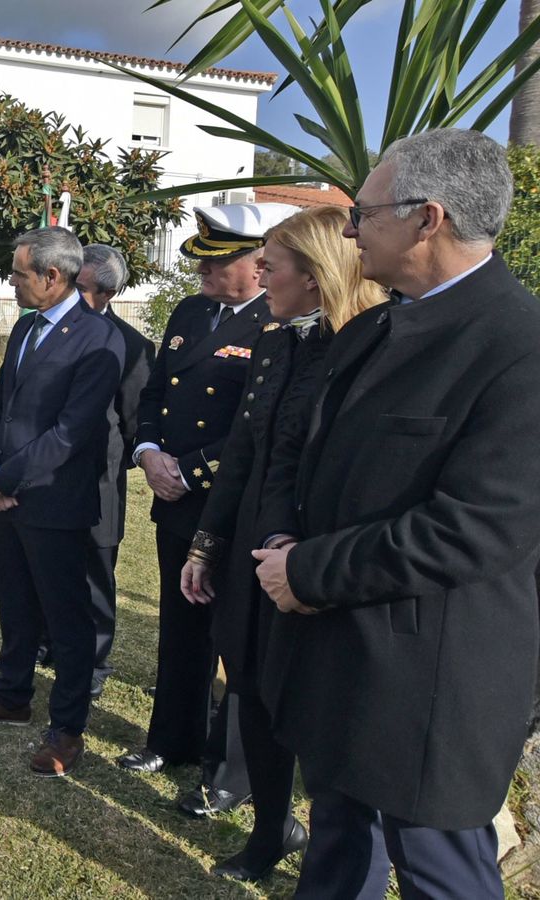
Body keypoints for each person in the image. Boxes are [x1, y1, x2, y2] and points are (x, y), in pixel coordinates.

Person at [252, 129, 540, 899]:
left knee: (440, 875)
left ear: (427, 219)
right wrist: (281, 535)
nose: (350, 232)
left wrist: (307, 571)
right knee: (337, 853)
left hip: (429, 686)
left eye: (364, 214)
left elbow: (473, 527)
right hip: (338, 657)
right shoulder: (373, 329)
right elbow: (299, 454)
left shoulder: (520, 348)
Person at [178, 205, 384, 881]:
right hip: (252, 551)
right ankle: (271, 831)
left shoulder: (363, 346)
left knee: (316, 714)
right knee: (254, 694)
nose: (260, 276)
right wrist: (207, 545)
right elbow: (243, 453)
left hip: (316, 562)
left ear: (317, 274)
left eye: (272, 266)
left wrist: (305, 558)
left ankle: (333, 859)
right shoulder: (273, 342)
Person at [118, 202, 298, 817]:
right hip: (174, 500)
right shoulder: (190, 312)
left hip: (232, 504)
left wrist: (189, 470)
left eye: (215, 263)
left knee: (236, 636)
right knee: (180, 625)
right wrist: (148, 454)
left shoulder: (277, 322)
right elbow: (153, 394)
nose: (201, 273)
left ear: (256, 263)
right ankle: (172, 739)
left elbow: (259, 429)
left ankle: (231, 770)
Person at [0, 228, 123, 777]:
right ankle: (12, 695)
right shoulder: (26, 326)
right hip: (6, 500)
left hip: (54, 503)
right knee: (16, 604)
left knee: (67, 623)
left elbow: (71, 432)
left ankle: (67, 729)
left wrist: (7, 478)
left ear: (52, 276)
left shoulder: (99, 338)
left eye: (19, 274)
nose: (11, 283)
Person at [72, 243, 155, 698]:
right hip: (46, 480)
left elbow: (134, 422)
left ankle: (95, 660)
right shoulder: (51, 329)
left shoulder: (132, 345)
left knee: (96, 574)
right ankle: (46, 642)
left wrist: (105, 463)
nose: (71, 293)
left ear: (107, 293)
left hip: (100, 483)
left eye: (81, 286)